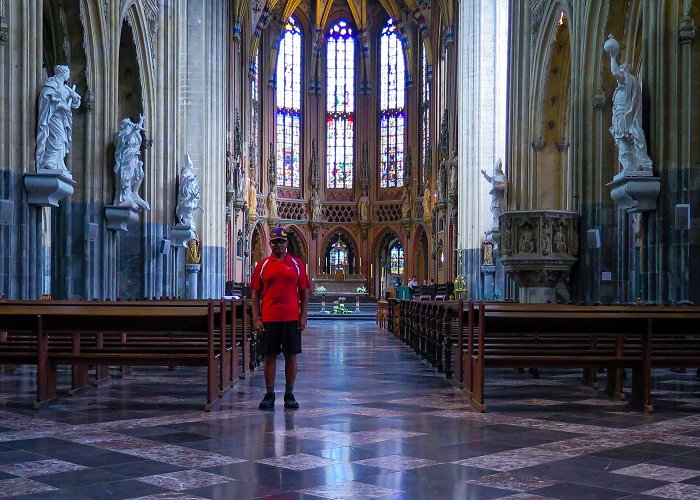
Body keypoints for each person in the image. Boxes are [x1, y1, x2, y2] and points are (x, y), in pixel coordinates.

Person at [251, 226, 309, 410]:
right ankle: (269, 395)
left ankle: (289, 394)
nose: (278, 245)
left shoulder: (297, 264)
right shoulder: (262, 265)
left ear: (286, 243)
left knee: (291, 356)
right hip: (269, 318)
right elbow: (255, 294)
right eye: (275, 242)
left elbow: (304, 292)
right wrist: (256, 319)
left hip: (291, 318)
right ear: (270, 244)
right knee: (269, 357)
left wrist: (303, 316)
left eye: (281, 241)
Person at [604, 35, 653, 174]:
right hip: (620, 117)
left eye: (622, 68)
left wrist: (613, 57)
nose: (620, 70)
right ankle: (629, 165)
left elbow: (615, 73)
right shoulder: (620, 88)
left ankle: (634, 164)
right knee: (622, 141)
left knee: (628, 139)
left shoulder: (629, 80)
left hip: (627, 116)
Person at [36, 65, 82, 178]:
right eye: (67, 73)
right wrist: (60, 103)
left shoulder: (66, 87)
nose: (69, 75)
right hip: (53, 115)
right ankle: (47, 161)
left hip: (63, 118)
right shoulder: (52, 83)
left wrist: (74, 97)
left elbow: (76, 104)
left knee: (63, 140)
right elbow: (46, 96)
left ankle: (58, 162)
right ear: (62, 73)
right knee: (58, 138)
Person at [113, 115, 150, 210]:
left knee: (139, 175)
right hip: (126, 159)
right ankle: (124, 198)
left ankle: (134, 193)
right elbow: (125, 141)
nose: (130, 125)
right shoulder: (122, 134)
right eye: (128, 124)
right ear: (124, 125)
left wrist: (141, 120)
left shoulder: (134, 133)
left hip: (134, 157)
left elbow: (137, 130)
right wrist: (133, 130)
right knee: (126, 176)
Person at [175, 153, 202, 230]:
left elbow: (192, 184)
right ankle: (184, 219)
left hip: (189, 194)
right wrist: (191, 180)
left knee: (190, 205)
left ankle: (188, 219)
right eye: (190, 165)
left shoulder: (189, 173)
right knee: (187, 205)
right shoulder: (185, 172)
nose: (191, 167)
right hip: (185, 194)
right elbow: (184, 180)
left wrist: (193, 183)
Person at [481, 159, 507, 227]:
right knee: (494, 211)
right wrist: (484, 174)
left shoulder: (503, 177)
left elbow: (504, 186)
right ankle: (496, 225)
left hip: (500, 198)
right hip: (495, 197)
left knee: (497, 211)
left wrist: (497, 186)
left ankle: (499, 226)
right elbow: (490, 179)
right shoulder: (494, 177)